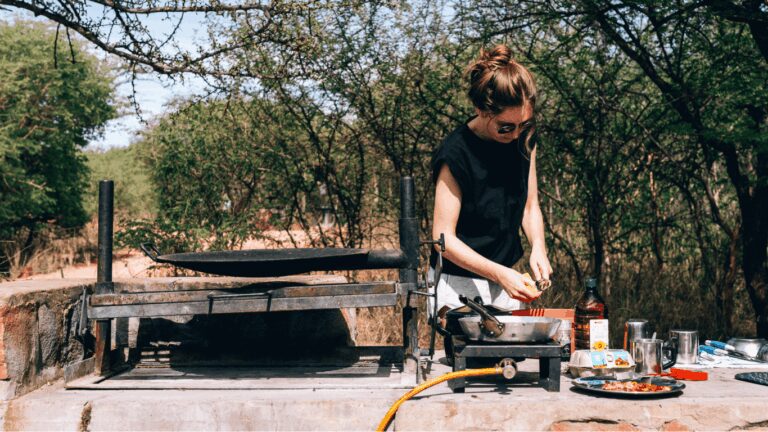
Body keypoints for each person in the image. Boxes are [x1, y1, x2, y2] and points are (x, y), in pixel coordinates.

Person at [429, 44, 552, 323]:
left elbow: (530, 207)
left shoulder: (524, 140)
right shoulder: (456, 152)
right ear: (481, 110)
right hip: (458, 284)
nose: (515, 134)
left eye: (524, 124)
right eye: (506, 127)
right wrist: (497, 273)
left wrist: (539, 247)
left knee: (511, 363)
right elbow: (443, 239)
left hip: (507, 280)